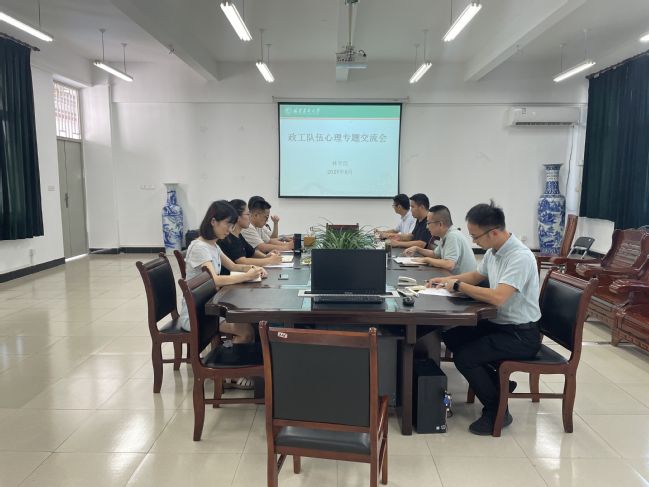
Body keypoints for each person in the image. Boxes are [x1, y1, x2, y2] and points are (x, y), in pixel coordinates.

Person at [428, 201, 541, 435]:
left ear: (494, 232)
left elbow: (498, 297)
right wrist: (445, 281)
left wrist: (458, 286)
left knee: (466, 358)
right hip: (499, 324)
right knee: (452, 335)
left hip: (520, 334)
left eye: (476, 237)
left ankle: (497, 410)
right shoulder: (494, 251)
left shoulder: (519, 257)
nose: (474, 242)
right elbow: (476, 276)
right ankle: (498, 385)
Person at [178, 200, 267, 389]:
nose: (230, 229)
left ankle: (238, 365)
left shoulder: (213, 245)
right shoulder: (199, 247)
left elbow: (233, 266)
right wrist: (247, 275)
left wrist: (254, 268)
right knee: (246, 330)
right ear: (213, 221)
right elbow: (215, 280)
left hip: (209, 307)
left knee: (249, 324)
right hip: (197, 314)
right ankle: (231, 376)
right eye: (228, 224)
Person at [404, 205, 477, 275]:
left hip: (465, 281)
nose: (427, 227)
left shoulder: (452, 236)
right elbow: (435, 254)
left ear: (440, 224)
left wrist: (426, 259)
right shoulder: (445, 235)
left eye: (428, 223)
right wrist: (417, 249)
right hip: (454, 277)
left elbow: (449, 264)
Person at [218, 199, 282, 273]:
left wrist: (266, 256)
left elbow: (252, 252)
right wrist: (269, 260)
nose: (250, 217)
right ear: (238, 217)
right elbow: (242, 261)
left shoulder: (239, 235)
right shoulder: (229, 238)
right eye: (248, 214)